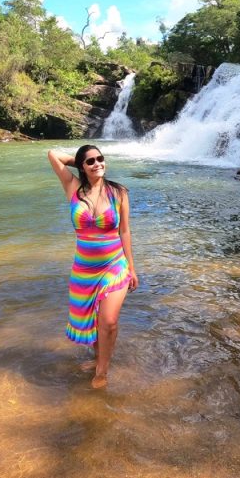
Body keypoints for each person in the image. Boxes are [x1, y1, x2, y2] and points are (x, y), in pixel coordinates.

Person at [47, 145, 139, 388]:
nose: (98, 164)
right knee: (95, 320)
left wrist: (131, 267)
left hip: (114, 265)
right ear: (82, 167)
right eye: (90, 162)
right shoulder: (73, 188)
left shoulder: (118, 192)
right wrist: (77, 161)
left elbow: (125, 231)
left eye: (100, 159)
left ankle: (102, 371)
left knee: (108, 320)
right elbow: (52, 154)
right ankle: (99, 357)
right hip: (84, 271)